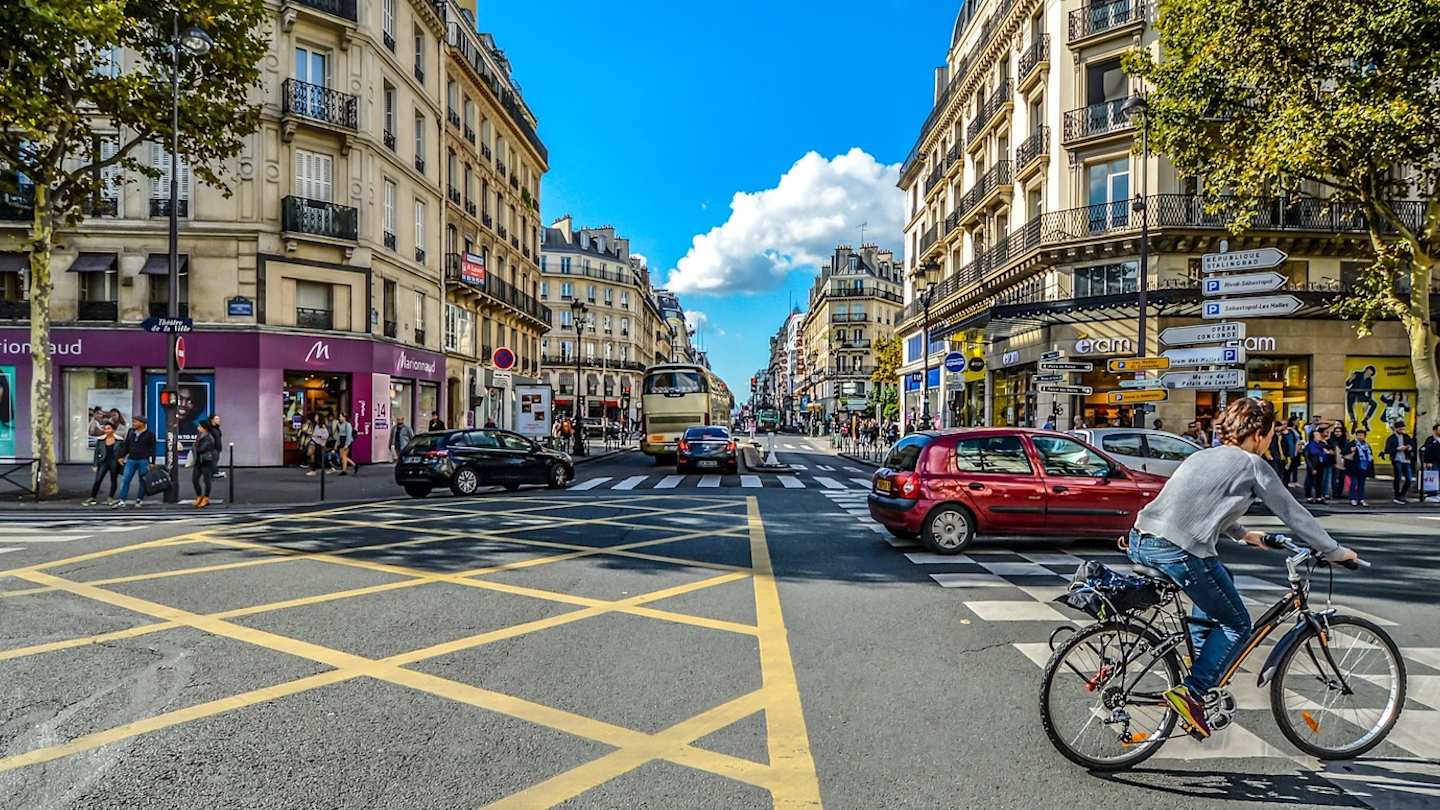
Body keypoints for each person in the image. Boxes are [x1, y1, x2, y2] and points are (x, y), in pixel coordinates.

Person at [1127, 397, 1356, 739]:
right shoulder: (1252, 465)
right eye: (1270, 435)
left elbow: (1202, 504)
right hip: (1179, 551)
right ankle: (1193, 692)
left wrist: (1246, 534)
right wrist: (1334, 550)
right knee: (1238, 623)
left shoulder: (1201, 455)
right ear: (1260, 434)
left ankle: (1202, 665)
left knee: (1222, 581)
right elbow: (1294, 513)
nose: (1270, 442)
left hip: (1141, 540)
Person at [114, 415, 157, 508]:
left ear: (142, 423)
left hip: (143, 460)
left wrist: (152, 462)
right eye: (133, 422)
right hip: (131, 459)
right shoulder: (131, 432)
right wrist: (121, 456)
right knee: (126, 479)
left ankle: (139, 499)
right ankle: (122, 500)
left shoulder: (150, 435)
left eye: (135, 422)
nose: (133, 424)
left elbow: (152, 449)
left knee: (143, 480)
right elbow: (126, 445)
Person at [83, 422, 121, 506]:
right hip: (103, 462)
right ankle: (92, 497)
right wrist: (95, 464)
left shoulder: (119, 440)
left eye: (109, 428)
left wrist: (122, 460)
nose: (106, 430)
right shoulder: (101, 440)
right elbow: (96, 453)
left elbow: (123, 451)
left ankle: (110, 498)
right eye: (105, 429)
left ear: (113, 430)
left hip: (114, 462)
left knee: (113, 480)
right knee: (98, 480)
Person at [1381, 420, 1415, 504]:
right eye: (1400, 429)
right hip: (1397, 459)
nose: (1402, 431)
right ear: (1396, 429)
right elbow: (1387, 450)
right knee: (1398, 477)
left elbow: (1412, 445)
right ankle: (1397, 495)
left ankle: (1402, 494)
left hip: (1406, 459)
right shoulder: (1391, 438)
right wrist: (1397, 449)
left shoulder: (1406, 436)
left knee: (1409, 479)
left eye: (1403, 429)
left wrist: (1409, 447)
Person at [191, 420, 219, 507]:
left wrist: (195, 446)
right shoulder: (199, 436)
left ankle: (206, 498)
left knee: (206, 481)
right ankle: (199, 496)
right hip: (198, 461)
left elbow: (202, 449)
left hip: (206, 461)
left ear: (204, 428)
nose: (198, 427)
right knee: (195, 480)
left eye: (199, 426)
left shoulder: (209, 437)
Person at [1345, 428, 1373, 507]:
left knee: (1362, 484)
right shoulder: (1352, 444)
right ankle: (1353, 498)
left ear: (1365, 436)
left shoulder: (1367, 446)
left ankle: (1361, 499)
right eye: (1358, 435)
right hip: (1354, 468)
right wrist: (1351, 451)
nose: (1360, 437)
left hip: (1364, 467)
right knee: (1354, 483)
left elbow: (1370, 457)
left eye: (1362, 435)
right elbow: (1344, 452)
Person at [1303, 428, 1330, 504]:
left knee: (1319, 481)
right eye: (1317, 435)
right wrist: (1311, 468)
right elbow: (1307, 457)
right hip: (1313, 465)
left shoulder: (1322, 444)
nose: (1319, 436)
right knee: (1310, 481)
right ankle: (1309, 496)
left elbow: (1328, 450)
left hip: (1321, 465)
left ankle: (1318, 496)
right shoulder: (1309, 445)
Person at [1329, 424, 1349, 501]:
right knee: (1335, 477)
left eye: (1339, 431)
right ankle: (1335, 493)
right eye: (1336, 431)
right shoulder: (1331, 441)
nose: (1337, 433)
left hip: (1344, 462)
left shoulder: (1344, 441)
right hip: (1335, 461)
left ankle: (1339, 493)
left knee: (1342, 478)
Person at [1421, 424, 1440, 503]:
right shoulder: (1430, 439)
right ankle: (1432, 494)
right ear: (1435, 431)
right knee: (1433, 478)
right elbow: (1426, 451)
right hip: (1433, 462)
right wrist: (1427, 461)